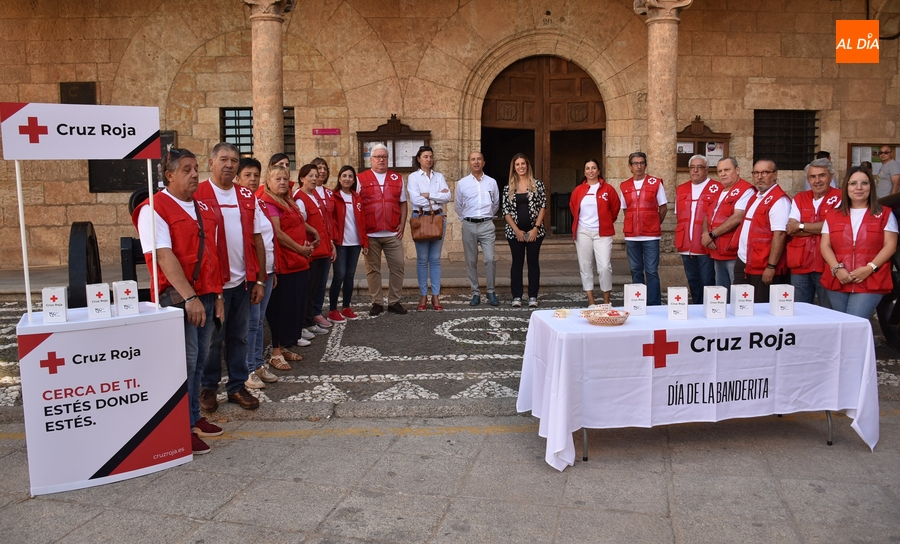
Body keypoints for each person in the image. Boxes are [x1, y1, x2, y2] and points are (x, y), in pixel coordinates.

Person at [132, 147, 225, 455]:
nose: (195, 173)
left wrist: (218, 295)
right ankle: (181, 428)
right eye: (186, 169)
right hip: (181, 300)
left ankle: (194, 416)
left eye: (196, 167)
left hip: (207, 295)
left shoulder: (199, 207)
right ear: (169, 175)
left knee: (199, 360)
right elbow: (163, 255)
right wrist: (190, 297)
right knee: (184, 363)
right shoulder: (154, 209)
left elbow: (211, 253)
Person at [195, 142, 265, 412]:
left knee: (239, 336)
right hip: (211, 284)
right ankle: (208, 387)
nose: (229, 164)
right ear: (211, 162)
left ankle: (237, 387)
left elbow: (257, 238)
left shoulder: (247, 196)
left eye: (234, 160)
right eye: (223, 159)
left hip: (242, 283)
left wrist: (260, 279)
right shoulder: (197, 194)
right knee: (211, 340)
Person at [821, 166, 898, 319]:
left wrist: (870, 268)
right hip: (839, 279)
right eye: (853, 183)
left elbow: (890, 245)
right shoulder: (832, 215)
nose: (859, 188)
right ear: (846, 187)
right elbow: (825, 245)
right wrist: (837, 269)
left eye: (864, 183)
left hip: (871, 279)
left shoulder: (885, 214)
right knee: (841, 325)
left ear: (871, 186)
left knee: (854, 322)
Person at [259, 164, 314, 370]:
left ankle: (284, 346)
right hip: (285, 262)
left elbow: (297, 225)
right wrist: (299, 249)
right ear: (268, 182)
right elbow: (278, 233)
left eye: (284, 179)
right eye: (277, 179)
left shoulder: (287, 201)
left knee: (294, 307)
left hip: (298, 261)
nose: (282, 182)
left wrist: (306, 242)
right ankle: (275, 352)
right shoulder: (268, 202)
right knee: (280, 309)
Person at [236, 158, 278, 388]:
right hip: (253, 274)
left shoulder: (259, 203)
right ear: (238, 178)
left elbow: (268, 239)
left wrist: (273, 270)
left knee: (259, 321)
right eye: (247, 175)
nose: (252, 180)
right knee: (251, 322)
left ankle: (258, 363)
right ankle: (247, 369)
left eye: (255, 175)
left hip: (268, 270)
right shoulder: (239, 204)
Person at [358, 143, 408, 315]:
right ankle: (377, 302)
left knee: (398, 266)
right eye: (377, 157)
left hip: (393, 233)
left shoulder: (397, 178)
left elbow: (402, 203)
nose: (381, 160)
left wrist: (402, 223)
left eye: (384, 157)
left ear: (388, 159)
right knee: (373, 269)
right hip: (370, 233)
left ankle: (394, 301)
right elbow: (357, 206)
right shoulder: (361, 178)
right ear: (370, 160)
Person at [785, 158, 842, 307]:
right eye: (812, 176)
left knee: (828, 310)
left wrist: (802, 226)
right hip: (800, 263)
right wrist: (821, 229)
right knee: (798, 310)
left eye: (822, 175)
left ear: (831, 177)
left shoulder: (841, 197)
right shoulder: (799, 198)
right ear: (808, 179)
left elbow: (836, 228)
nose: (817, 180)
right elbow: (791, 229)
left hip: (828, 265)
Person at [733, 159, 790, 303]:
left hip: (763, 265)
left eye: (765, 172)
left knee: (759, 308)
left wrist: (771, 266)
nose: (760, 176)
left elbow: (780, 234)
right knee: (740, 305)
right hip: (745, 260)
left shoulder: (779, 200)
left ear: (775, 174)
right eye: (756, 173)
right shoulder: (756, 197)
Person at [569, 158, 619, 306]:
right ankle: (591, 301)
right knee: (585, 266)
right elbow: (573, 207)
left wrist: (606, 222)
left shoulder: (608, 189)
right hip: (583, 232)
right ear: (584, 172)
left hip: (602, 232)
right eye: (587, 168)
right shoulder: (578, 190)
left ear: (599, 170)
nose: (590, 171)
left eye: (593, 168)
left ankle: (606, 301)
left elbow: (615, 209)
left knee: (604, 266)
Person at [619, 151, 667, 305]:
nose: (638, 166)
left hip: (651, 236)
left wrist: (653, 223)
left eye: (641, 163)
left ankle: (654, 304)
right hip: (632, 236)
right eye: (635, 163)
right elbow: (626, 209)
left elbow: (663, 208)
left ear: (645, 165)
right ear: (630, 166)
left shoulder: (656, 183)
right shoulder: (624, 185)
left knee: (652, 271)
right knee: (635, 270)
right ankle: (638, 303)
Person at [294, 164, 336, 336]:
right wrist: (313, 233)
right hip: (311, 251)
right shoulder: (300, 197)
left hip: (322, 249)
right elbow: (300, 222)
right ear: (302, 178)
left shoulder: (315, 195)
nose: (313, 178)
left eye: (315, 175)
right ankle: (303, 323)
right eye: (310, 176)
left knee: (315, 288)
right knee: (308, 289)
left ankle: (310, 320)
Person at [407, 146, 451, 311]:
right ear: (419, 158)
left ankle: (436, 296)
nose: (429, 159)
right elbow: (415, 199)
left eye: (431, 156)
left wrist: (429, 194)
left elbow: (447, 197)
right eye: (425, 156)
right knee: (422, 260)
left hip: (438, 219)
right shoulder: (413, 177)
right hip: (420, 218)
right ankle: (423, 295)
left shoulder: (439, 176)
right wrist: (436, 196)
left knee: (435, 259)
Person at [700, 157, 754, 291]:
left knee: (736, 292)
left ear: (737, 170)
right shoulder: (719, 191)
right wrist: (705, 234)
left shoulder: (746, 190)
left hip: (732, 251)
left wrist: (712, 234)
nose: (723, 174)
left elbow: (737, 217)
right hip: (716, 250)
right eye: (720, 171)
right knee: (721, 292)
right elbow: (708, 215)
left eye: (727, 170)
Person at [674, 155, 721, 304]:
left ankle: (709, 309)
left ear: (707, 169)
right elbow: (679, 216)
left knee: (707, 280)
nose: (695, 170)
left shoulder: (717, 188)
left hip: (705, 244)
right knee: (692, 280)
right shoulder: (681, 189)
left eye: (699, 167)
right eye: (692, 167)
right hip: (686, 245)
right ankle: (696, 307)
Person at [455, 151, 501, 306]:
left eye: (479, 159)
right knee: (471, 260)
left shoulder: (492, 182)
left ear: (483, 162)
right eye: (473, 159)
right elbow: (458, 205)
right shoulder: (462, 183)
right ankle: (475, 293)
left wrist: (486, 216)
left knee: (490, 259)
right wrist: (466, 219)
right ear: (469, 163)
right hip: (469, 224)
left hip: (487, 224)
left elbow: (496, 204)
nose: (476, 162)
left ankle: (490, 291)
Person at [502, 154, 546, 308]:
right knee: (517, 263)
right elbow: (506, 211)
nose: (520, 167)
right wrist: (517, 231)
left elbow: (542, 207)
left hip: (535, 232)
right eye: (517, 164)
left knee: (533, 263)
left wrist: (536, 228)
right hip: (514, 233)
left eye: (523, 164)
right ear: (513, 167)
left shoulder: (538, 184)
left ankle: (533, 296)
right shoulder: (508, 187)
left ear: (527, 165)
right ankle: (517, 296)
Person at [327, 165, 368, 322]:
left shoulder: (357, 197)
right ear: (339, 178)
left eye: (350, 176)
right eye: (344, 176)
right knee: (339, 275)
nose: (347, 179)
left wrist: (365, 243)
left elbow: (362, 221)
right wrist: (332, 240)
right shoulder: (334, 196)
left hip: (355, 243)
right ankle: (332, 310)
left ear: (354, 180)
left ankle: (346, 307)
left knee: (350, 276)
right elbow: (331, 220)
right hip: (340, 243)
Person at [308, 157, 336, 329]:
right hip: (314, 243)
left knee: (322, 280)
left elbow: (331, 220)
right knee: (312, 281)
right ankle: (309, 315)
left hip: (327, 242)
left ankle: (317, 312)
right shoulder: (306, 193)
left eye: (325, 168)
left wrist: (332, 242)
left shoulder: (329, 193)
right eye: (319, 167)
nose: (322, 171)